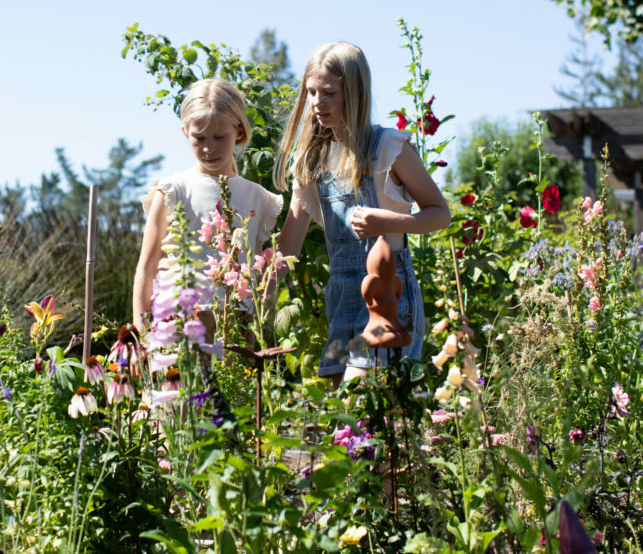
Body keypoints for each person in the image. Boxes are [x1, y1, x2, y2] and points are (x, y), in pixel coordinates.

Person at [275, 42, 450, 386]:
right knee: (350, 427)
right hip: (341, 297)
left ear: (354, 93)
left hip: (388, 295)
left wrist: (385, 222)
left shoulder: (387, 147)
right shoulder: (314, 160)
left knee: (356, 406)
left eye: (328, 93)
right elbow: (288, 248)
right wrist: (253, 289)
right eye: (310, 92)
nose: (316, 103)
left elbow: (440, 214)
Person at [133, 78, 284, 333]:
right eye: (199, 137)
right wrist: (140, 328)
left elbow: (260, 275)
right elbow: (147, 267)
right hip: (181, 325)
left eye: (219, 136)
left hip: (239, 328)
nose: (208, 147)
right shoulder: (173, 190)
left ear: (239, 131)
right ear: (185, 132)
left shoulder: (257, 197)